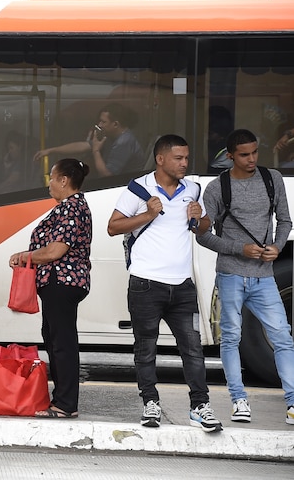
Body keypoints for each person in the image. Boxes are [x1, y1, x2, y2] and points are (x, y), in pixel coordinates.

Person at [107, 134, 223, 432]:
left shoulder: (193, 188)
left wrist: (200, 219)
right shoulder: (139, 188)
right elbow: (113, 226)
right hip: (146, 284)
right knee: (145, 349)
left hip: (183, 285)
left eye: (186, 158)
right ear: (161, 159)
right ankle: (150, 403)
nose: (185, 163)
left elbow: (201, 228)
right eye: (178, 158)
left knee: (193, 349)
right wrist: (148, 214)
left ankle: (200, 407)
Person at [196, 129, 294, 426]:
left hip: (264, 277)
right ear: (230, 156)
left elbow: (285, 221)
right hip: (230, 275)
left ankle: (292, 403)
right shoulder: (217, 188)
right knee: (231, 339)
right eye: (244, 154)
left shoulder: (271, 178)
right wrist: (241, 249)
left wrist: (277, 247)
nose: (251, 159)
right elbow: (202, 235)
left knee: (283, 339)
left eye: (254, 152)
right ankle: (239, 401)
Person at [8, 158, 92, 418]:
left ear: (64, 180)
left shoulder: (71, 208)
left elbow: (57, 250)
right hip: (60, 282)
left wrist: (25, 256)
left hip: (62, 281)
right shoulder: (71, 206)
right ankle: (62, 400)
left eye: (52, 178)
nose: (49, 184)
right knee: (56, 339)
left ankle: (66, 404)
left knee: (62, 343)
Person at [34, 103, 145, 178]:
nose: (100, 125)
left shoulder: (124, 142)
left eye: (103, 122)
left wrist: (96, 151)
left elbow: (107, 175)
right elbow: (82, 146)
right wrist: (51, 150)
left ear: (115, 124)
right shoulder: (111, 136)